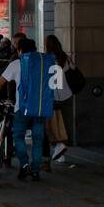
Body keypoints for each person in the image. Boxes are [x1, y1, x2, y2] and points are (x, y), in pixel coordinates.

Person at [0, 36, 54, 182]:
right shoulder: (44, 64)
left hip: (22, 109)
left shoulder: (16, 64)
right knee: (38, 140)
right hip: (39, 108)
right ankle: (35, 170)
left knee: (18, 137)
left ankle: (24, 164)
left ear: (20, 50)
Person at [45, 34, 74, 163]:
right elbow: (73, 69)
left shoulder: (45, 59)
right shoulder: (65, 58)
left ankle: (58, 146)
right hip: (66, 95)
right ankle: (61, 148)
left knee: (51, 124)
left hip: (52, 96)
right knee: (65, 122)